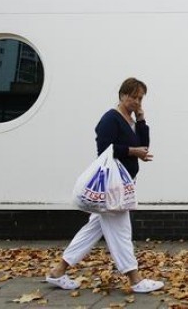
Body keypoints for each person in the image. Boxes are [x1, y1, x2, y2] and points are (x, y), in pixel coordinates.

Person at [45, 77, 163, 294]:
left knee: (91, 230)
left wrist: (142, 119)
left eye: (140, 98)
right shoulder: (110, 119)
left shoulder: (130, 119)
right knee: (121, 231)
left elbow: (144, 145)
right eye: (134, 97)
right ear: (122, 95)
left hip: (124, 183)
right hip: (113, 186)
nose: (137, 101)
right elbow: (104, 150)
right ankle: (135, 279)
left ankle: (58, 271)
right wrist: (131, 151)